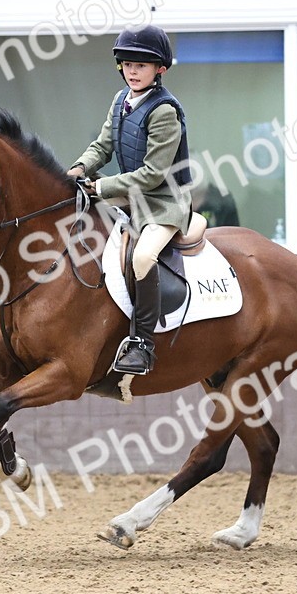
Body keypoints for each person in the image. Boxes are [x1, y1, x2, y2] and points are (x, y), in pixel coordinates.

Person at [67, 25, 193, 375]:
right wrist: (78, 169)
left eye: (142, 65)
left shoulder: (165, 111)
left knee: (142, 256)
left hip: (163, 204)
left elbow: (153, 173)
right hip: (129, 198)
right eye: (127, 64)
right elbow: (103, 146)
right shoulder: (120, 100)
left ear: (160, 69)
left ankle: (142, 344)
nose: (133, 71)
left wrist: (102, 188)